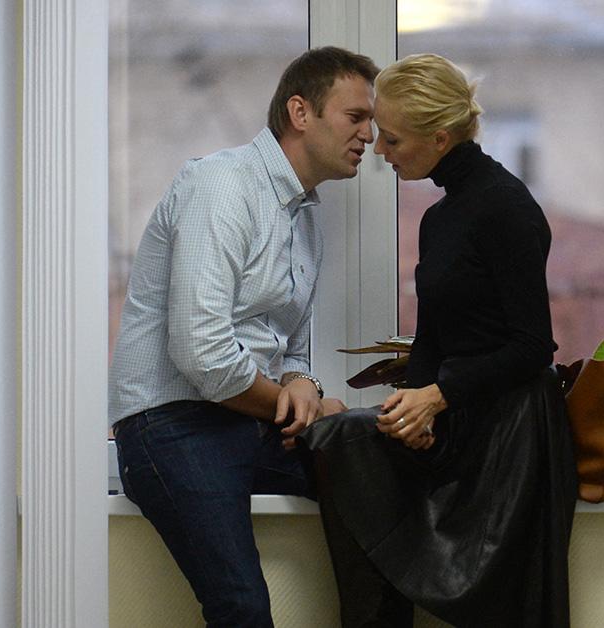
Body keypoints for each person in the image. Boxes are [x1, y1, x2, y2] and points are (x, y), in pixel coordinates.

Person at [300, 53, 578, 627]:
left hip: (512, 435)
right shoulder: (439, 216)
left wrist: (438, 396)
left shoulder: (506, 206)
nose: (379, 150)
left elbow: (533, 347)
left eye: (393, 140)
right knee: (340, 439)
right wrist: (414, 408)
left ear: (441, 138)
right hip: (455, 415)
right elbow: (431, 338)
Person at [108, 46, 378, 627]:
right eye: (356, 117)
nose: (371, 135)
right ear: (300, 112)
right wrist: (295, 409)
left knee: (380, 485)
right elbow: (202, 355)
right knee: (242, 607)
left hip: (247, 420)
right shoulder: (221, 187)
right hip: (171, 425)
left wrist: (304, 386)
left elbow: (294, 348)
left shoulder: (306, 215)